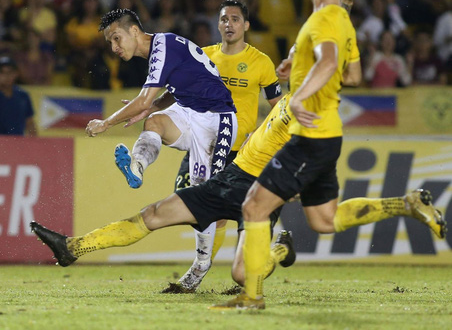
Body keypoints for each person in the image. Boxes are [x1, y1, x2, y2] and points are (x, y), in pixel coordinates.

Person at [31, 93, 446, 291]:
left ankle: (281, 249)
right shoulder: (291, 98)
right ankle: (73, 248)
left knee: (243, 275)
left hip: (258, 194)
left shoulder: (312, 124)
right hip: (228, 180)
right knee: (154, 213)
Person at [220, 0, 369, 309]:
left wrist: (300, 96)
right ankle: (406, 204)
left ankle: (251, 298)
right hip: (326, 133)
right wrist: (298, 67)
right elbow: (353, 74)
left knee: (255, 206)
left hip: (309, 134)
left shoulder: (321, 20)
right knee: (325, 220)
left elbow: (331, 60)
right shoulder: (336, 18)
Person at [84, 8, 237, 283]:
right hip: (190, 112)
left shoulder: (162, 46)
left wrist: (106, 123)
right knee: (154, 122)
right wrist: (153, 107)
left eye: (116, 38)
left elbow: (142, 100)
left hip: (218, 120)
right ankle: (137, 167)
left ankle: (200, 267)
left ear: (134, 31)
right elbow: (178, 86)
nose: (114, 47)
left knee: (203, 197)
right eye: (110, 43)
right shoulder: (161, 49)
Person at [168, 0, 284, 292]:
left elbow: (278, 106)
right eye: (224, 19)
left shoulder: (261, 62)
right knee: (203, 211)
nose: (229, 24)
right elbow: (177, 90)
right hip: (206, 146)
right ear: (217, 24)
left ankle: (238, 273)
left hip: (242, 152)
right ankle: (201, 268)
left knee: (244, 213)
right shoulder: (204, 56)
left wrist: (261, 134)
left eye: (235, 19)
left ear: (245, 25)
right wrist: (145, 107)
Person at [0, 57, 37, 136]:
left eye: (10, 72)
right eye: (2, 72)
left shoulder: (23, 96)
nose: (6, 76)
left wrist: (34, 146)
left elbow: (30, 124)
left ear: (16, 74)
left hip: (19, 145)